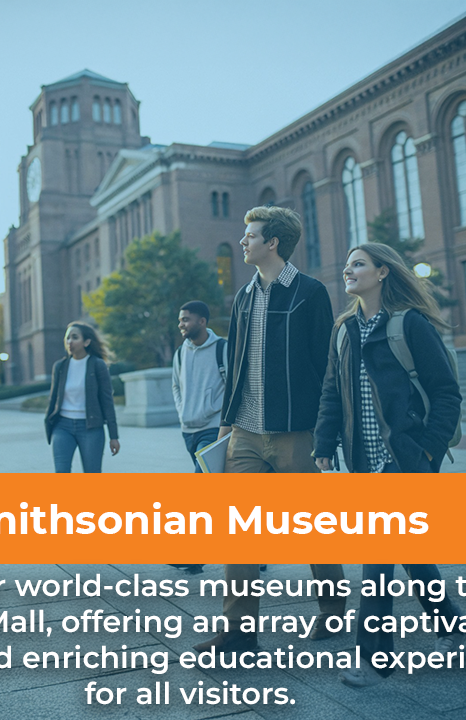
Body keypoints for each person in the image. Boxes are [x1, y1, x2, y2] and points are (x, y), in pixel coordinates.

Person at [193, 205, 345, 654]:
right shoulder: (242, 297)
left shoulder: (310, 293)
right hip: (244, 433)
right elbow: (235, 368)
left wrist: (326, 433)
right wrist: (225, 427)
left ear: (273, 242)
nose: (243, 242)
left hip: (295, 433)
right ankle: (238, 631)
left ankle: (333, 611)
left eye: (251, 235)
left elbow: (327, 369)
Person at [313, 242, 465, 688]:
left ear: (382, 272)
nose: (348, 270)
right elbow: (330, 392)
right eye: (346, 265)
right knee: (409, 552)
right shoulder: (344, 330)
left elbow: (446, 393)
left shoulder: (409, 325)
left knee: (377, 556)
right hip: (364, 462)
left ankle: (373, 657)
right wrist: (324, 441)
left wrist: (428, 452)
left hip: (406, 462)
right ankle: (451, 625)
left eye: (358, 264)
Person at [44, 322, 120, 473]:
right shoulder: (60, 366)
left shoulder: (97, 365)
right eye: (67, 338)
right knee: (61, 471)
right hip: (63, 427)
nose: (69, 342)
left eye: (75, 337)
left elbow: (107, 401)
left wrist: (113, 436)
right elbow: (53, 398)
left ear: (86, 342)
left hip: (90, 427)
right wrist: (49, 423)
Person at [172, 300, 227, 473]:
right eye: (180, 320)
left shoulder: (222, 349)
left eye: (186, 320)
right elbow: (176, 386)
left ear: (202, 322)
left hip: (213, 428)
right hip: (187, 430)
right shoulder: (180, 353)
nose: (181, 324)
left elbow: (234, 388)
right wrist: (182, 412)